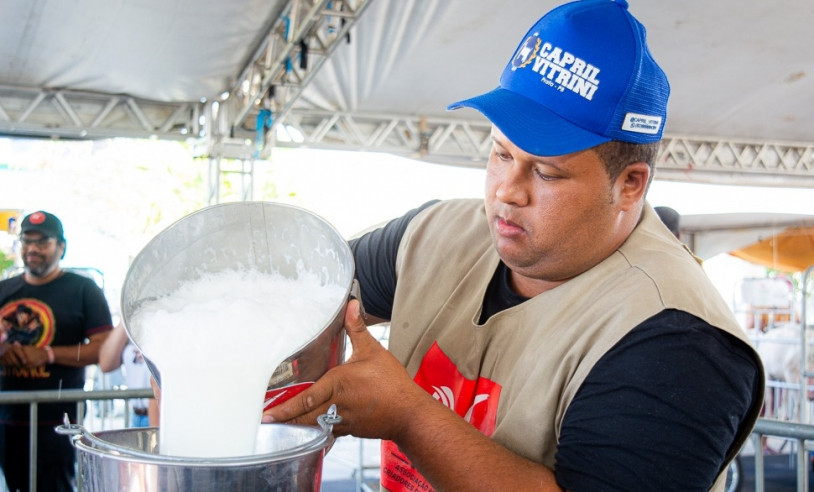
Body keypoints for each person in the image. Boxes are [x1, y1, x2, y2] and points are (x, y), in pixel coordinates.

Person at [264, 1, 764, 491]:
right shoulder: (436, 234)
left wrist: (410, 419)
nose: (507, 190)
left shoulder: (677, 341)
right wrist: (298, 347)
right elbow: (310, 295)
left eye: (546, 171)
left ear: (630, 184)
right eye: (501, 153)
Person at [0, 210, 113, 492]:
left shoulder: (83, 289)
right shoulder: (4, 289)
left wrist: (48, 354)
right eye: (27, 241)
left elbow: (104, 348)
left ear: (61, 247)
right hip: (6, 418)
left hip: (58, 421)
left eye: (43, 241)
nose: (33, 248)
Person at [98, 322, 158, 428]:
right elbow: (106, 364)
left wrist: (155, 426)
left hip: (159, 414)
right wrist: (125, 318)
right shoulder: (131, 327)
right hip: (136, 415)